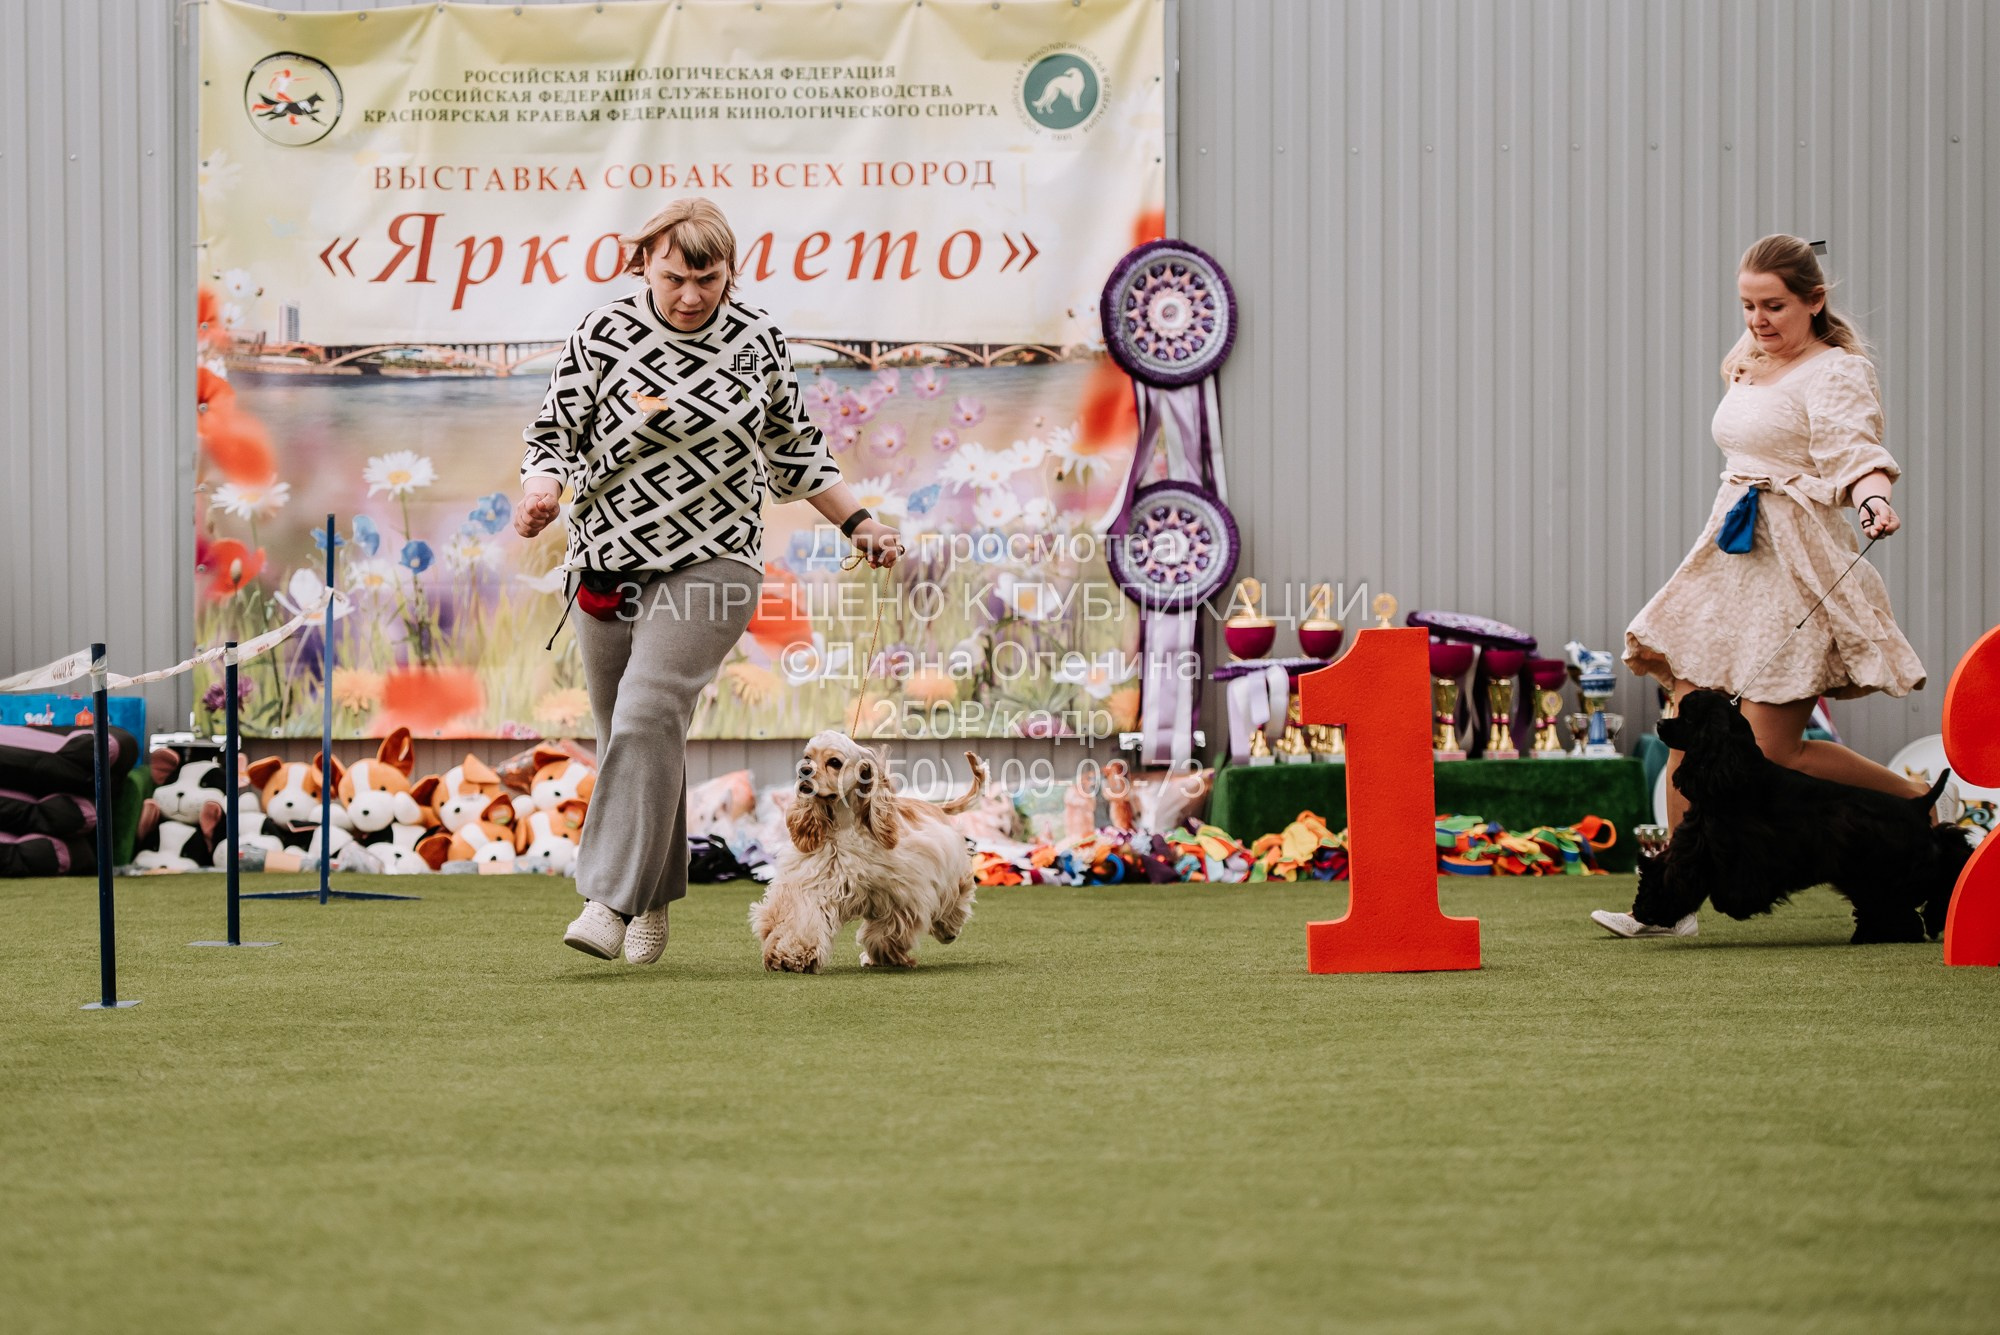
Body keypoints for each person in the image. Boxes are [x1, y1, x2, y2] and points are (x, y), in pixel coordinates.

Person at [515, 198, 902, 963]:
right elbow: (553, 433)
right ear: (643, 266)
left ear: (729, 272)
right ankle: (652, 898)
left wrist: (860, 522)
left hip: (715, 557)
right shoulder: (602, 334)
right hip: (607, 560)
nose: (690, 295)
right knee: (632, 731)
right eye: (673, 277)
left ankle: (607, 898)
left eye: (707, 277)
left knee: (650, 705)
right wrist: (541, 491)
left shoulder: (757, 340)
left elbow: (797, 450)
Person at [1593, 234, 1928, 939]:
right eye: (1747, 305)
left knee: (1777, 749)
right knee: (1688, 735)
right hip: (1728, 559)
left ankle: (1917, 802)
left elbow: (1857, 450)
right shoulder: (1749, 361)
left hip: (1795, 563)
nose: (1757, 320)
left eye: (1773, 305)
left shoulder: (1837, 372)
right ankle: (1667, 908)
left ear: (1814, 300)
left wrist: (1871, 496)